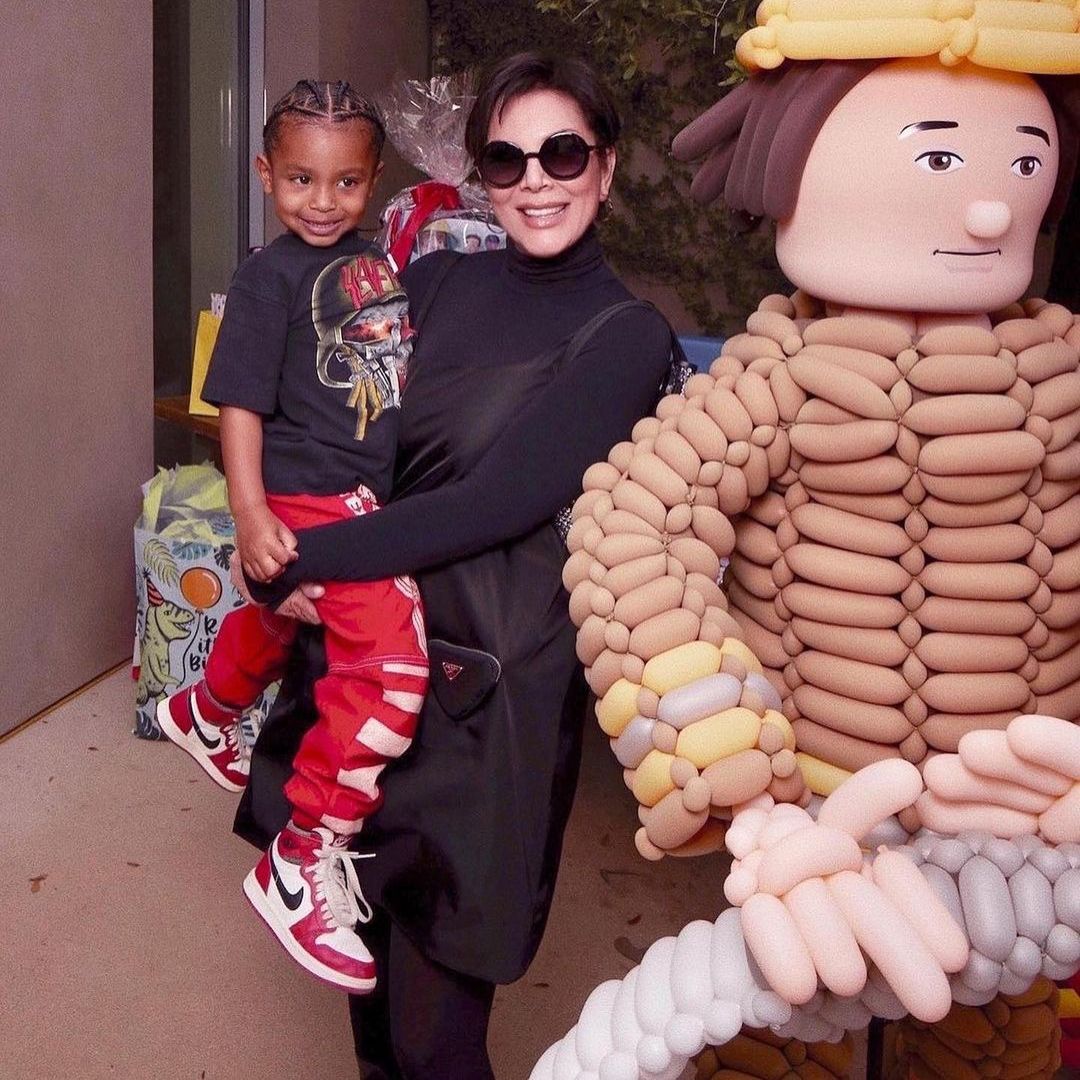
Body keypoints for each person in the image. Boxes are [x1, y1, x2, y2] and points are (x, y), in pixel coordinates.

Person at [234, 51, 685, 1080]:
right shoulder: (430, 279)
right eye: (506, 155)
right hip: (359, 658)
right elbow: (339, 430)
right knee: (364, 990)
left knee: (434, 1041)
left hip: (481, 706)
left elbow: (497, 502)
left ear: (605, 168)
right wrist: (264, 516)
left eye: (562, 152)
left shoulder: (624, 336)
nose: (535, 178)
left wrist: (288, 557)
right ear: (479, 173)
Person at [156, 79, 429, 996]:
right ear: (267, 174)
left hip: (361, 490)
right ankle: (304, 850)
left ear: (373, 181)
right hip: (308, 492)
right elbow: (239, 403)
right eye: (301, 180)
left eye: (345, 183)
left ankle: (204, 707)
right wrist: (249, 511)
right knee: (393, 669)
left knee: (286, 617)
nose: (322, 202)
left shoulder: (377, 265)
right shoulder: (266, 277)